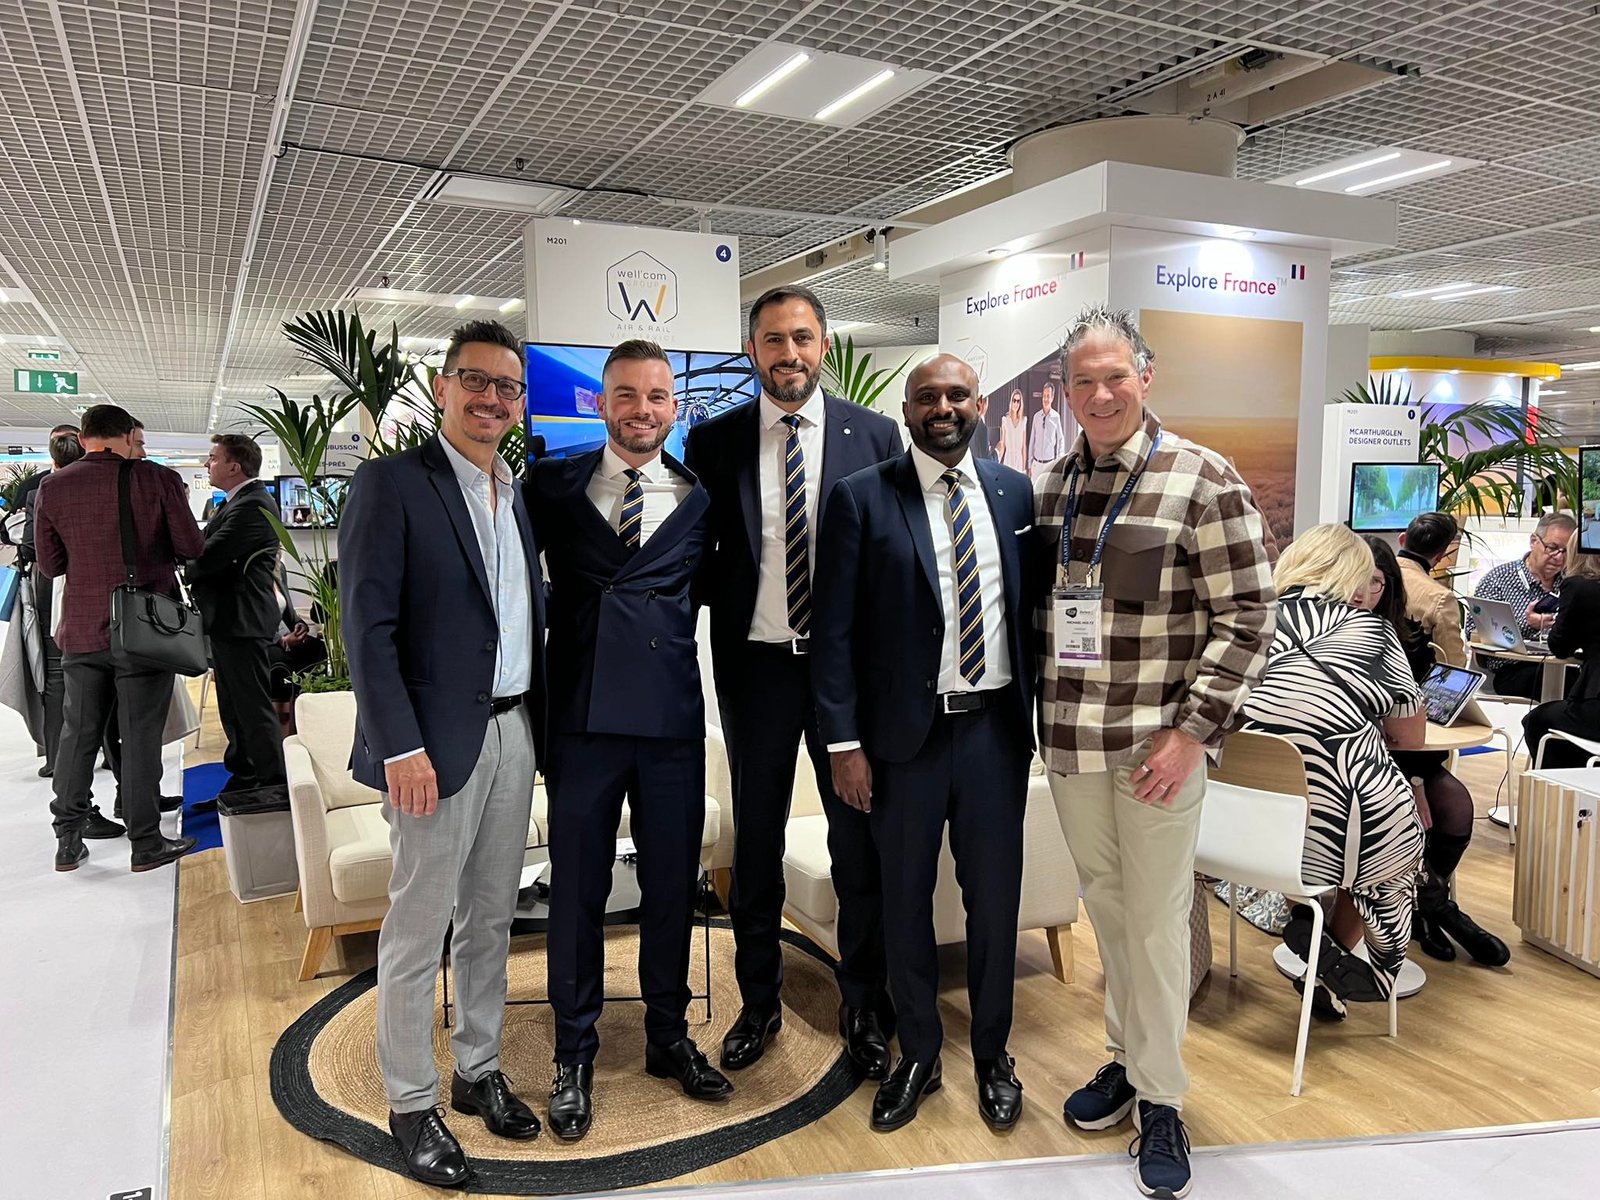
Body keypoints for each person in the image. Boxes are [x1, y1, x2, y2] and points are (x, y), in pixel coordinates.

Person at [1034, 305, 1275, 1200]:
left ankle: (1163, 1099)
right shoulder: (1055, 484)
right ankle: (1128, 1058)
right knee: (1107, 910)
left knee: (1158, 919)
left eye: (1115, 378)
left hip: (1155, 751)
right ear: (1066, 391)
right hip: (1072, 746)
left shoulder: (1201, 478)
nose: (1100, 395)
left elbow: (1249, 614)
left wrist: (1194, 733)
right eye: (1083, 382)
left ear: (1146, 376)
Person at [341, 319, 548, 1187]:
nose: (492, 399)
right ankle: (410, 1101)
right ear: (442, 388)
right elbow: (366, 628)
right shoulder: (393, 484)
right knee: (419, 925)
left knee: (492, 915)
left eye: (508, 387)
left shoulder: (514, 489)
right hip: (431, 744)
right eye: (476, 381)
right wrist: (401, 746)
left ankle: (477, 1068)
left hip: (512, 730)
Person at [813, 354, 1037, 1133]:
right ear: (906, 411)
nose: (943, 407)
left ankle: (994, 1056)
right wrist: (843, 744)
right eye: (927, 397)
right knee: (903, 901)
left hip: (993, 734)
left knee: (995, 904)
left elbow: (1031, 614)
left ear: (980, 404)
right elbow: (834, 635)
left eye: (957, 395)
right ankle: (920, 1054)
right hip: (901, 742)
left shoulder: (1014, 493)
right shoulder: (860, 497)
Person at [684, 286, 901, 1077]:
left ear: (824, 345)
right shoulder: (712, 442)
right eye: (773, 340)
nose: (789, 354)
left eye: (802, 338)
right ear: (753, 351)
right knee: (758, 842)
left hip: (849, 679)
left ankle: (863, 1005)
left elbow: (893, 561)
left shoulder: (875, 436)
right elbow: (695, 556)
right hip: (758, 672)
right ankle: (759, 1003)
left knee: (856, 842)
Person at [529, 338, 727, 1141]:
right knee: (576, 891)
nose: (642, 410)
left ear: (674, 407)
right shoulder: (550, 485)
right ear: (600, 403)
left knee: (672, 887)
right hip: (581, 719)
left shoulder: (701, 498)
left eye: (656, 397)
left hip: (671, 721)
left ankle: (667, 1037)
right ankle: (572, 1053)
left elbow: (708, 597)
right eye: (626, 395)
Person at [1241, 526, 1428, 1007]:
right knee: (1386, 840)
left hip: (1239, 826)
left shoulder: (1245, 620)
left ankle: (1306, 917)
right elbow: (1411, 737)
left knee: (1312, 811)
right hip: (1339, 833)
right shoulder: (1370, 632)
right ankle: (1334, 962)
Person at [34, 404, 202, 873]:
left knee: (78, 734)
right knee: (141, 734)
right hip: (145, 630)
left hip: (82, 628)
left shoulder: (53, 486)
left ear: (84, 437)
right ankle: (145, 842)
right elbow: (191, 547)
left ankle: (68, 839)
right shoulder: (158, 480)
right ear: (128, 435)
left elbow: (51, 565)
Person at [1362, 537, 1508, 969]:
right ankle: (1434, 907)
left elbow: (1408, 730)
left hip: (1403, 757)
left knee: (1458, 806)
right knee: (1408, 811)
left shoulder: (1405, 642)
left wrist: (1417, 780)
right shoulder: (1325, 638)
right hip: (1360, 765)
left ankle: (1425, 907)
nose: (1362, 592)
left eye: (1374, 582)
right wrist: (1413, 785)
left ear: (1389, 586)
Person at [188, 433, 287, 804]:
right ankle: (245, 776)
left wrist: (187, 561)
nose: (207, 464)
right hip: (231, 621)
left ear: (234, 466)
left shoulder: (253, 504)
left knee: (252, 707)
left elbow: (208, 557)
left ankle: (271, 785)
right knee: (233, 706)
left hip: (244, 621)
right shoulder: (235, 502)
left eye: (213, 458)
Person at [21, 428, 84, 778]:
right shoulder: (106, 486)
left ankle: (57, 758)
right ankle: (111, 752)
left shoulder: (40, 491)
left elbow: (32, 549)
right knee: (108, 670)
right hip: (99, 589)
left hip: (52, 588)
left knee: (57, 672)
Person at [1469, 512, 1575, 698]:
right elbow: (1474, 632)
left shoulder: (1572, 583)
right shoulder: (1498, 580)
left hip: (1564, 665)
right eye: (1552, 548)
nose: (1559, 558)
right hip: (1512, 668)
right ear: (1534, 541)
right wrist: (1527, 625)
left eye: (1566, 552)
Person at [1523, 548, 1600, 768]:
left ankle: (1556, 787)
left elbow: (1560, 645)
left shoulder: (1578, 586)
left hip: (1595, 705)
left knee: (1535, 721)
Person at [1396, 511, 1467, 666]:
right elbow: (1453, 664)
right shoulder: (1440, 598)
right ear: (1440, 556)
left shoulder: (1364, 578)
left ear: (1402, 539)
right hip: (1414, 679)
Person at [1027, 381, 1067, 479]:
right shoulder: (1036, 417)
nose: (1046, 399)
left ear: (1052, 398)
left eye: (1048, 396)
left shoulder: (1056, 417)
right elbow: (1032, 440)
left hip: (1049, 464)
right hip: (1036, 464)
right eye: (1044, 396)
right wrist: (1029, 464)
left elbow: (1061, 440)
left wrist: (1058, 461)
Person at [996, 388, 1027, 472]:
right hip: (1008, 459)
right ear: (1011, 402)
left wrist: (1024, 469)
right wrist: (998, 461)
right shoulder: (1005, 420)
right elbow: (1002, 444)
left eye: (1018, 401)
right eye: (1014, 400)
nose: (1016, 403)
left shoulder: (1023, 421)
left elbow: (1024, 446)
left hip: (1019, 461)